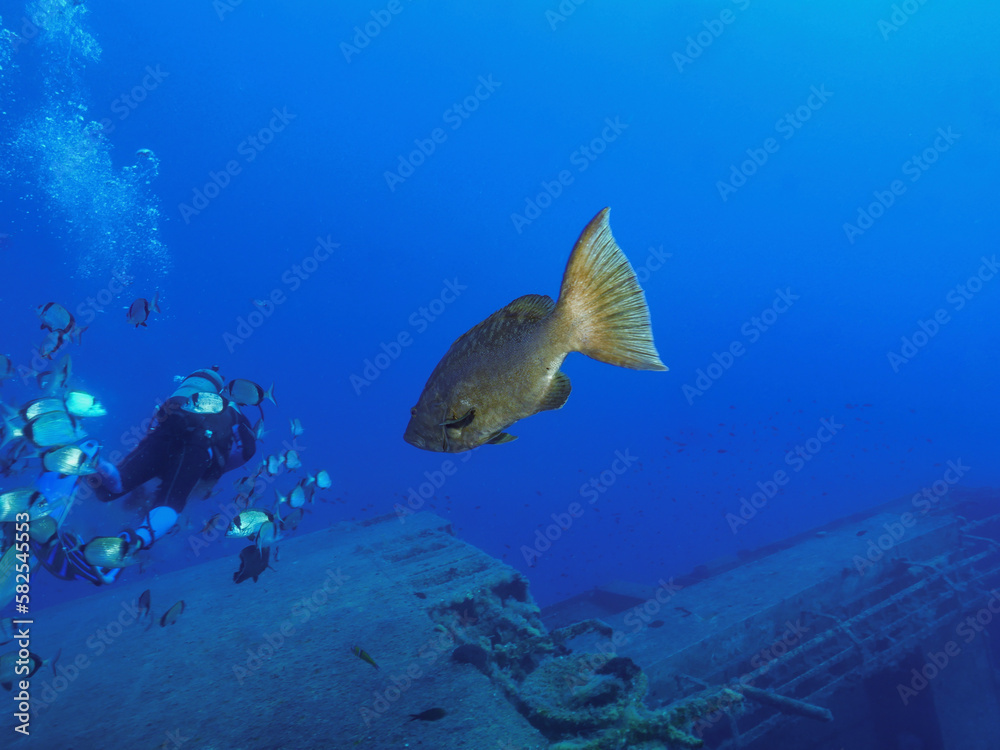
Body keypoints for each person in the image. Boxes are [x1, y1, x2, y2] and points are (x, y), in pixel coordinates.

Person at [38, 366, 257, 585]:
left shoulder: (186, 398)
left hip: (164, 434)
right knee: (170, 503)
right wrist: (215, 469)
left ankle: (90, 461)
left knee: (115, 486)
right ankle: (129, 545)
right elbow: (247, 451)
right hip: (199, 447)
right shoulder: (232, 412)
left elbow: (157, 422)